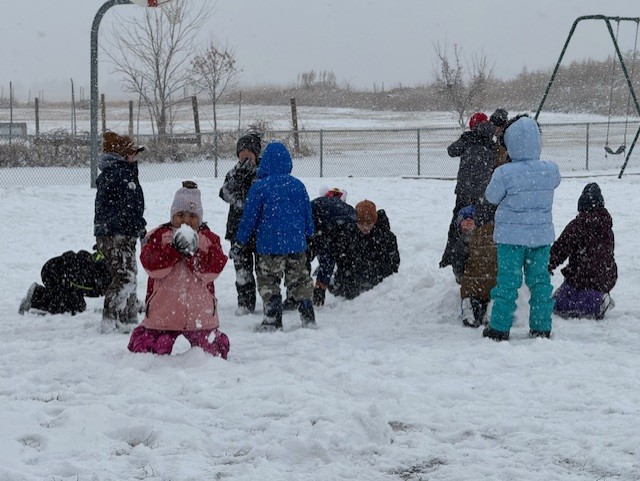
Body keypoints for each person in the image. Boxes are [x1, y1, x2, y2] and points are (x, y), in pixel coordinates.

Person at [127, 181, 230, 358]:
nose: (186, 221)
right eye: (180, 215)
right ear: (172, 215)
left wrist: (193, 253)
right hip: (163, 314)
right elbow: (151, 266)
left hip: (200, 315)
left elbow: (213, 270)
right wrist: (173, 251)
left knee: (211, 352)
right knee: (151, 350)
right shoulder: (159, 236)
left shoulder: (208, 239)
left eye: (192, 216)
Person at [482, 115, 561, 341]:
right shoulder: (550, 170)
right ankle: (541, 327)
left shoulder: (504, 173)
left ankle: (499, 327)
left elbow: (491, 196)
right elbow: (556, 181)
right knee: (540, 283)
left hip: (510, 238)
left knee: (507, 282)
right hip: (540, 237)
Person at [232, 141, 317, 331]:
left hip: (270, 246)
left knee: (269, 281)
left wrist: (240, 241)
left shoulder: (260, 187)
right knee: (300, 281)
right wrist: (310, 235)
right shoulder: (298, 185)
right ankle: (308, 316)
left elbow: (249, 218)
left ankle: (272, 319)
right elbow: (307, 214)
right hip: (296, 246)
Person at [94, 131, 147, 334]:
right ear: (123, 155)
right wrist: (139, 227)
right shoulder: (121, 174)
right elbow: (131, 207)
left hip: (118, 232)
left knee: (129, 272)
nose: (135, 158)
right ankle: (110, 317)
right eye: (132, 153)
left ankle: (129, 312)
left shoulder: (117, 173)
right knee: (124, 276)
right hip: (116, 234)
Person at [548, 183, 617, 319]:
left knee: (555, 306)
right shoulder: (607, 227)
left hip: (581, 278)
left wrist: (548, 264)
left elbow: (560, 249)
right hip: (605, 278)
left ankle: (589, 303)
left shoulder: (577, 226)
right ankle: (599, 299)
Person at [439, 112, 496, 271]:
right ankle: (481, 257)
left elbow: (452, 150)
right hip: (484, 191)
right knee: (482, 223)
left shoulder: (468, 139)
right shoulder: (491, 142)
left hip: (465, 188)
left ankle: (450, 258)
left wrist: (467, 140)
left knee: (458, 222)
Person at [219, 132, 262, 316]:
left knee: (263, 270)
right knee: (242, 271)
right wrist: (238, 179)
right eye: (242, 151)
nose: (245, 155)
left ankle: (268, 299)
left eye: (249, 152)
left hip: (259, 230)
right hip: (237, 230)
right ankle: (245, 302)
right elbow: (225, 194)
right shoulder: (233, 173)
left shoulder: (262, 173)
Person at [330, 200, 400, 300]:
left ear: (374, 221)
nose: (365, 227)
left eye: (369, 223)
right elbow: (342, 261)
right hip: (351, 283)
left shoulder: (386, 237)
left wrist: (373, 275)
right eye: (361, 223)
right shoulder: (347, 235)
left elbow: (393, 264)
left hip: (379, 286)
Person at [18, 247, 110, 316]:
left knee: (77, 305)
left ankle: (40, 294)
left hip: (59, 269)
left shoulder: (105, 270)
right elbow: (76, 283)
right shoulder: (99, 280)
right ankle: (36, 296)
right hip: (54, 272)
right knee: (73, 309)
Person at [307, 187, 357, 306]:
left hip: (317, 223)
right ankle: (344, 286)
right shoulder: (347, 209)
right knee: (338, 255)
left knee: (306, 256)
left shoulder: (316, 203)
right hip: (347, 224)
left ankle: (301, 292)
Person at [451, 204, 497, 328]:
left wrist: (460, 277)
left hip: (471, 287)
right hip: (493, 284)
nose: (467, 224)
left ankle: (469, 307)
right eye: (464, 221)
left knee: (468, 293)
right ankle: (492, 307)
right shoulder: (494, 239)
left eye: (470, 221)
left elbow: (458, 266)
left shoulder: (462, 244)